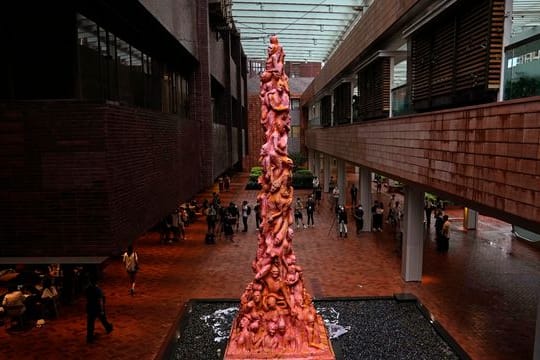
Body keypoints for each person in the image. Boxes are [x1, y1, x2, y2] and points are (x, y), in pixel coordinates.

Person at [85, 275, 113, 343]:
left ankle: (90, 337)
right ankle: (108, 328)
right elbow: (100, 300)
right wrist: (102, 310)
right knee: (103, 318)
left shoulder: (88, 289)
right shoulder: (98, 290)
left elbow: (86, 297)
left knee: (90, 322)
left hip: (90, 307)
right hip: (97, 308)